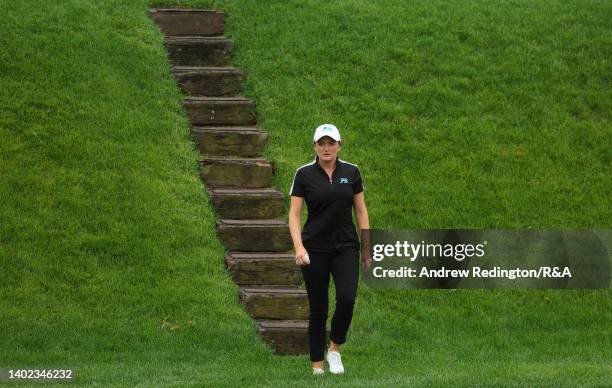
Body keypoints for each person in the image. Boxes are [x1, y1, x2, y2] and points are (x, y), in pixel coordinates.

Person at [288, 123, 372, 375]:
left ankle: (334, 349)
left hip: (346, 246)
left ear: (339, 144)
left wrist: (366, 248)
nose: (326, 148)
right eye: (321, 143)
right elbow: (294, 216)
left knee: (346, 298)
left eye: (331, 143)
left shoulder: (352, 172)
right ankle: (317, 366)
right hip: (314, 249)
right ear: (315, 145)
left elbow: (361, 210)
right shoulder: (303, 174)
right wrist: (299, 247)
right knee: (318, 308)